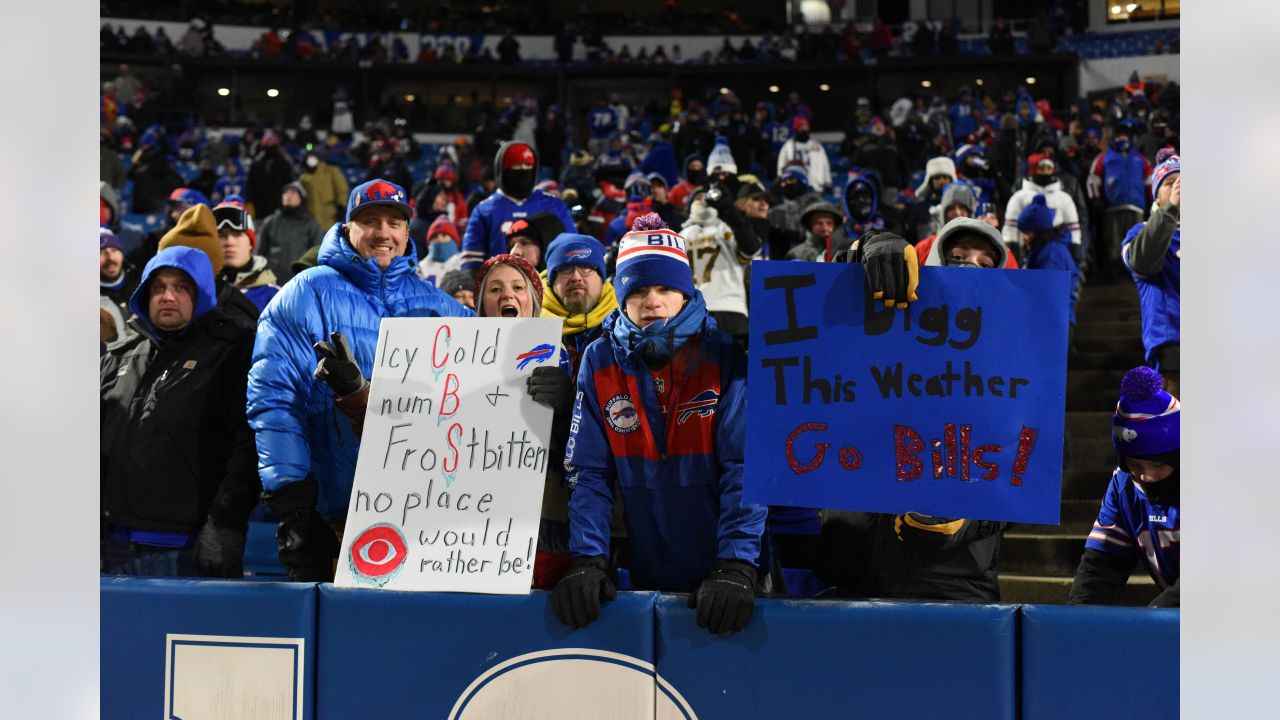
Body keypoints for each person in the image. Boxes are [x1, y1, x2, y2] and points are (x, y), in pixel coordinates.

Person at [247, 180, 473, 581]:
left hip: (428, 518)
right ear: (348, 228)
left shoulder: (440, 305)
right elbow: (275, 400)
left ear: (407, 233)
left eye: (394, 222)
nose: (383, 233)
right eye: (370, 221)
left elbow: (486, 396)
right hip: (334, 517)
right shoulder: (307, 291)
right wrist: (293, 504)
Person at [552, 220, 767, 635]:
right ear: (622, 296)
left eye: (665, 289)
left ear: (685, 292)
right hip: (647, 571)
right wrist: (589, 559)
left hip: (729, 575)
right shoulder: (599, 360)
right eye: (638, 289)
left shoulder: (725, 357)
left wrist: (738, 563)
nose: (652, 301)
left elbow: (744, 468)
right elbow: (589, 472)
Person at [101, 246, 259, 577]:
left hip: (186, 548)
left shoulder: (232, 352)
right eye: (157, 288)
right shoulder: (120, 358)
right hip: (112, 546)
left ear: (201, 293)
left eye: (181, 287)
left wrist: (226, 522)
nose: (167, 296)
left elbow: (249, 444)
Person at [1069, 366, 1180, 607]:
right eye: (1135, 464)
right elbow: (1101, 565)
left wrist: (1155, 619)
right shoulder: (1123, 484)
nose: (1147, 476)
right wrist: (1078, 624)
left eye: (1158, 464)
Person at [460, 141, 574, 272]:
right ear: (502, 170)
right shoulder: (484, 210)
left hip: (548, 286)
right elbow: (471, 265)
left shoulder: (554, 205)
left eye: (527, 165)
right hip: (500, 286)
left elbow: (570, 250)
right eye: (516, 165)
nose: (523, 171)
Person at [1120, 154, 1180, 374]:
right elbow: (1142, 263)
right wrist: (1170, 210)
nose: (1178, 188)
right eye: (1169, 183)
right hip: (1174, 349)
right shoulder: (1139, 232)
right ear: (1156, 197)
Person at [682, 187, 762, 345]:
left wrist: (729, 211)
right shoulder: (680, 235)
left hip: (730, 309)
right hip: (693, 312)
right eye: (698, 196)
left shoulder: (728, 228)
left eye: (706, 195)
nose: (703, 197)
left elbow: (751, 248)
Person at [1017, 194, 1079, 336]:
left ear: (1039, 232)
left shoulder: (1052, 255)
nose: (1024, 238)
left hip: (1056, 324)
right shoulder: (1045, 250)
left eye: (1027, 233)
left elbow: (1048, 295)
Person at [1003, 154, 1083, 264]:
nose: (1045, 172)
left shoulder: (1063, 197)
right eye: (1042, 168)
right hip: (1025, 249)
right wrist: (1012, 247)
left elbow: (1073, 227)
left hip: (1056, 248)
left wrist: (1075, 249)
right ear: (1033, 170)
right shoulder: (1019, 197)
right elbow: (1010, 228)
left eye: (1049, 168)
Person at [213, 199, 279, 311]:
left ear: (251, 243)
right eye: (221, 235)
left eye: (237, 234)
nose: (230, 242)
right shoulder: (199, 292)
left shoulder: (276, 297)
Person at [257, 181, 323, 284]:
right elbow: (260, 253)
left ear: (301, 198)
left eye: (293, 192)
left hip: (299, 280)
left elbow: (316, 254)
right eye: (286, 192)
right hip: (272, 281)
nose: (288, 195)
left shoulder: (311, 224)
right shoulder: (270, 222)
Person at [775, 115, 832, 193]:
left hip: (816, 187)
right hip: (796, 188)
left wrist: (827, 182)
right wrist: (782, 181)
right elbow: (781, 167)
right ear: (796, 128)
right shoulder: (788, 146)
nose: (805, 129)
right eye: (802, 127)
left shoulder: (816, 146)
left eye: (806, 126)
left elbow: (825, 165)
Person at [245, 132, 295, 219]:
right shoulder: (257, 164)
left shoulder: (283, 163)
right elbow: (251, 186)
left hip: (279, 206)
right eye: (267, 144)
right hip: (260, 206)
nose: (270, 146)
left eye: (272, 144)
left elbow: (289, 184)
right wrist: (250, 203)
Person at [298, 149, 350, 229]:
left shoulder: (330, 170)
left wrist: (341, 205)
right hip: (311, 212)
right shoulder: (303, 176)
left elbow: (341, 188)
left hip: (329, 212)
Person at [100, 228, 139, 320]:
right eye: (100, 253)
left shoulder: (141, 281)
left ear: (122, 254)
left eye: (114, 250)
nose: (110, 257)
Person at [415, 215, 463, 286]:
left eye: (444, 235)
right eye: (435, 237)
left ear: (454, 240)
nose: (439, 239)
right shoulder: (421, 268)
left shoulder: (463, 265)